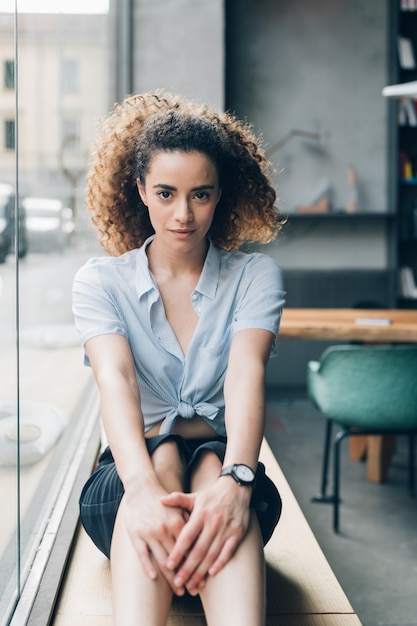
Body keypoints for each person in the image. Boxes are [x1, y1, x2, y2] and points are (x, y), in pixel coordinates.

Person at [72, 90, 286, 626]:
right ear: (140, 189)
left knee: (212, 462)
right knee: (162, 455)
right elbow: (115, 380)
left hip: (228, 479)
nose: (183, 215)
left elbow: (246, 375)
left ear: (221, 195)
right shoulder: (99, 281)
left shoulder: (254, 277)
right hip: (129, 481)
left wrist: (238, 482)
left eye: (201, 195)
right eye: (166, 193)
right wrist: (143, 491)